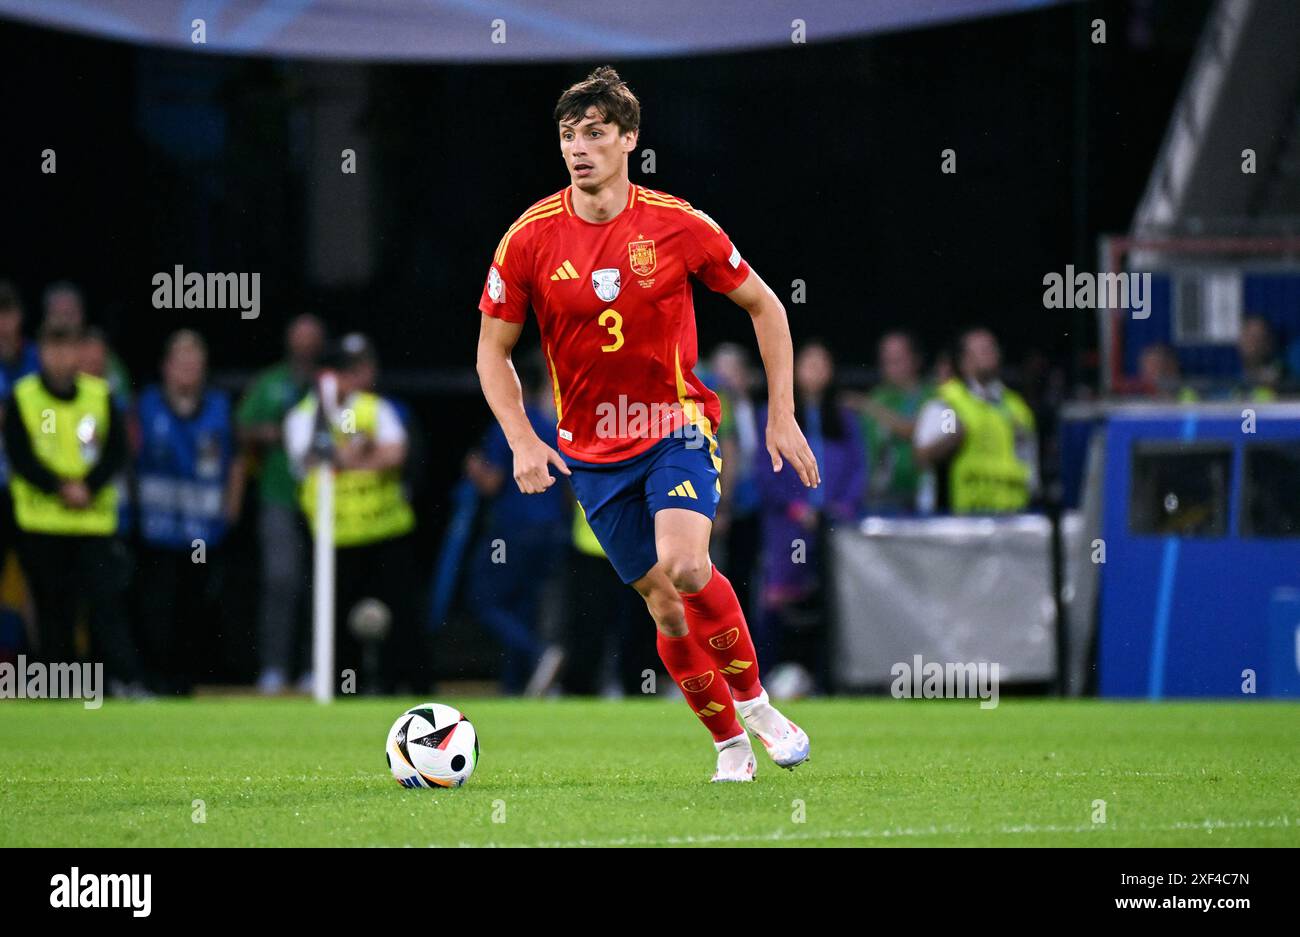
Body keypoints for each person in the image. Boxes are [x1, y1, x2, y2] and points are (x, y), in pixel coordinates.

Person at [475, 66, 818, 782]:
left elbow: (768, 308)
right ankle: (729, 745)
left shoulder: (677, 223)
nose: (579, 147)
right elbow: (492, 351)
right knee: (664, 608)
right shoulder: (529, 239)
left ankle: (758, 704)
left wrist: (781, 413)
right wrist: (521, 439)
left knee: (689, 565)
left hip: (674, 424)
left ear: (629, 139)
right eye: (568, 135)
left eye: (595, 133)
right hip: (593, 453)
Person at [3, 321, 145, 693]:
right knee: (53, 609)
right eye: (54, 349)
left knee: (106, 604)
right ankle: (57, 689)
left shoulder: (99, 395)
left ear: (80, 353)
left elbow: (116, 451)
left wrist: (89, 487)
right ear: (42, 353)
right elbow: (19, 454)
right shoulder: (24, 395)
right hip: (42, 521)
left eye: (70, 349)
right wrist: (60, 488)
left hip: (92, 522)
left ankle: (123, 682)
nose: (62, 358)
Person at [284, 333, 423, 694]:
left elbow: (395, 453)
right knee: (337, 624)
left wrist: (350, 457)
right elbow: (311, 458)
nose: (346, 380)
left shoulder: (374, 408)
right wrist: (358, 451)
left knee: (402, 619)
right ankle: (345, 693)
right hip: (336, 539)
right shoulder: (302, 416)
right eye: (338, 372)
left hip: (386, 530)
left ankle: (407, 689)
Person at [134, 330, 244, 693]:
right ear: (166, 367)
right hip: (156, 530)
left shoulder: (219, 408)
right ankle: (154, 681)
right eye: (180, 362)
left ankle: (187, 683)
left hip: (203, 532)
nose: (187, 370)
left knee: (195, 609)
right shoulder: (145, 405)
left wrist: (231, 508)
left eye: (194, 362)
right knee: (155, 608)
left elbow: (236, 461)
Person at [754, 341, 864, 690]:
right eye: (808, 364)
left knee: (834, 600)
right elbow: (764, 469)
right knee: (779, 597)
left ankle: (826, 681)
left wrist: (842, 508)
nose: (815, 371)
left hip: (835, 525)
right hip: (789, 525)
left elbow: (858, 467)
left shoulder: (844, 418)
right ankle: (762, 678)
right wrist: (795, 507)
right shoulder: (774, 415)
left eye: (822, 364)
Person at [463, 352, 568, 695]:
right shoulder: (554, 428)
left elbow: (492, 482)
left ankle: (537, 654)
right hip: (553, 530)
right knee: (523, 605)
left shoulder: (508, 427)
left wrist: (475, 468)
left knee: (484, 600)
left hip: (511, 534)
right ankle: (517, 685)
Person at [237, 313, 323, 693]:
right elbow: (241, 428)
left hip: (325, 501)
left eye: (311, 340)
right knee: (281, 579)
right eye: (298, 339)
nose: (304, 347)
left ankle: (315, 669)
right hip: (279, 495)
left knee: (318, 584)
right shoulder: (270, 383)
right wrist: (270, 432)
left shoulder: (329, 383)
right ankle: (273, 667)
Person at [914, 328, 1037, 514]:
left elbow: (1028, 461)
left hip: (1012, 513)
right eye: (981, 349)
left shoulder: (1016, 407)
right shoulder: (949, 403)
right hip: (963, 515)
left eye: (991, 348)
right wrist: (952, 437)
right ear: (964, 360)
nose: (989, 353)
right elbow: (923, 455)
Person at [851, 331, 930, 513]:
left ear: (915, 359)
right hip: (880, 497)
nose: (891, 366)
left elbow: (914, 430)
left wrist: (866, 406)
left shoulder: (931, 395)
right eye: (886, 360)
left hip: (920, 494)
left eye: (897, 359)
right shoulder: (878, 397)